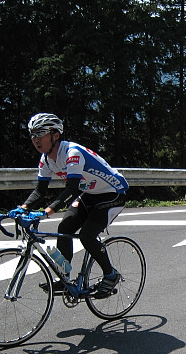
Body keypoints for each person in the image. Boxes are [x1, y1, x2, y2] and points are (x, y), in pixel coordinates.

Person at [16, 113, 129, 298]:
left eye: (41, 133)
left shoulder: (72, 153)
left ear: (55, 135)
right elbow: (40, 191)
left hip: (112, 193)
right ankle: (65, 278)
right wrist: (23, 207)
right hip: (91, 193)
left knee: (86, 235)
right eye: (33, 135)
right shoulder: (46, 159)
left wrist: (46, 212)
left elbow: (71, 189)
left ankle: (110, 274)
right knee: (65, 227)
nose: (36, 139)